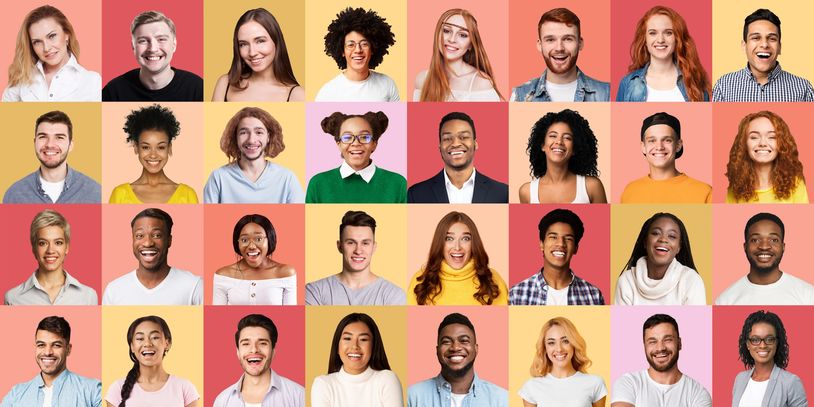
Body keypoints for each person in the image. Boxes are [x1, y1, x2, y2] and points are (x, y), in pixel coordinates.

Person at [102, 208, 203, 305]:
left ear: (169, 240)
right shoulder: (114, 290)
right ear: (133, 240)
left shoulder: (194, 285)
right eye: (139, 236)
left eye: (156, 235)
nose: (147, 243)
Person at [204, 107, 304, 204]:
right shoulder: (218, 177)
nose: (251, 140)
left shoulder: (287, 178)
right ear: (235, 137)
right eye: (243, 132)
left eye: (259, 132)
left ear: (268, 137)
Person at [407, 313, 508, 407]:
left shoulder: (501, 399)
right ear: (437, 351)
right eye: (446, 342)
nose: (455, 348)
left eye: (464, 341)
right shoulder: (413, 397)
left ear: (476, 349)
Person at [305, 211, 405, 305]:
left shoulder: (393, 294)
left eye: (365, 243)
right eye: (351, 243)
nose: (358, 251)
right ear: (339, 246)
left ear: (374, 247)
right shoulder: (315, 291)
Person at [610, 314, 711, 407]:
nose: (660, 348)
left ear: (679, 343)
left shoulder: (698, 393)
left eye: (667, 340)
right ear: (644, 346)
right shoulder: (628, 383)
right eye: (652, 342)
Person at [3, 5, 100, 101]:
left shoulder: (92, 81)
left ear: (67, 34)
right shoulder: (21, 79)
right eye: (37, 42)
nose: (46, 48)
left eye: (52, 36)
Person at [713, 9, 814, 102]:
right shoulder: (723, 86)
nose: (764, 45)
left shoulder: (804, 89)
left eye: (772, 39)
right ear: (744, 45)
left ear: (779, 47)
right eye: (756, 38)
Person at [408, 211, 508, 305]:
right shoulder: (420, 281)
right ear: (440, 243)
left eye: (465, 239)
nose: (457, 247)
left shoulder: (493, 279)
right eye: (449, 238)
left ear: (473, 243)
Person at [511, 8, 610, 102]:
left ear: (580, 43)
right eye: (550, 40)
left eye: (568, 39)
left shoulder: (606, 93)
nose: (559, 48)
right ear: (540, 45)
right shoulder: (520, 95)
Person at [305, 111, 407, 203]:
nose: (356, 143)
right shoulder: (318, 183)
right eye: (348, 137)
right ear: (338, 144)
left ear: (374, 144)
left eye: (364, 137)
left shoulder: (398, 184)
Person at [407, 111, 508, 203]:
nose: (455, 144)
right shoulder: (416, 194)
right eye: (447, 138)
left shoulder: (502, 193)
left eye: (463, 137)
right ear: (440, 146)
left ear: (475, 144)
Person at [102, 11, 203, 101]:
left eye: (161, 39)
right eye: (143, 41)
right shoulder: (113, 92)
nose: (153, 48)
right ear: (133, 47)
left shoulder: (198, 88)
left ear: (174, 45)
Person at [510, 209, 604, 305]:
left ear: (576, 248)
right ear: (542, 244)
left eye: (568, 239)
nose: (560, 244)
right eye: (553, 237)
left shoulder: (593, 295)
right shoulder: (516, 294)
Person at [716, 213, 814, 305]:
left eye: (774, 240)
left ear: (783, 246)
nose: (764, 246)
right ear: (745, 246)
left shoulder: (808, 295)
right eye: (755, 240)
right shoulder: (725, 300)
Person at [3, 110, 101, 203]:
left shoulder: (95, 192)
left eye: (59, 137)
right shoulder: (14, 194)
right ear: (34, 142)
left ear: (70, 145)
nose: (50, 144)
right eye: (43, 137)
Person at [0, 316, 101, 406]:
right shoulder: (16, 394)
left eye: (56, 345)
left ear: (68, 349)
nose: (48, 352)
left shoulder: (93, 390)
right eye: (41, 345)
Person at [617, 6, 710, 102]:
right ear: (644, 39)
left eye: (668, 33)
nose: (660, 40)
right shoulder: (628, 83)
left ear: (677, 39)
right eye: (653, 33)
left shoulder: (695, 81)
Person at [4, 209, 97, 305]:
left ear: (67, 247)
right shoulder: (13, 298)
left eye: (58, 242)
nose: (50, 250)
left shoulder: (88, 296)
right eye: (42, 243)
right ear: (34, 248)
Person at [109, 104, 198, 204]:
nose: (153, 155)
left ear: (169, 148)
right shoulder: (120, 194)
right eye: (146, 147)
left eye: (161, 147)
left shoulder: (187, 194)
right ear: (136, 148)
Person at [311, 313, 403, 407]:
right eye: (347, 338)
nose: (355, 346)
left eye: (363, 339)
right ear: (337, 347)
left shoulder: (387, 380)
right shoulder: (323, 384)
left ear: (373, 346)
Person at [105, 316, 199, 407]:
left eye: (155, 337)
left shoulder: (184, 387)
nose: (147, 344)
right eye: (140, 339)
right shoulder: (117, 389)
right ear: (132, 346)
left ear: (167, 343)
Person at [212, 8, 303, 102]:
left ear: (276, 42)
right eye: (243, 44)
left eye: (260, 41)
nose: (252, 53)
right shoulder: (225, 84)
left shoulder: (297, 95)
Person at [213, 314, 304, 407]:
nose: (254, 349)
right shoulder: (222, 401)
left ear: (273, 351)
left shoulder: (299, 396)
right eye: (246, 344)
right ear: (238, 352)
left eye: (262, 343)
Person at [615, 213, 706, 305]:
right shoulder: (626, 281)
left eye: (672, 236)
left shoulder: (691, 281)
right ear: (645, 242)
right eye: (655, 233)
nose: (663, 239)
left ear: (679, 247)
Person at [621, 112, 712, 203]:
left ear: (678, 145)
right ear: (643, 147)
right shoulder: (630, 191)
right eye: (652, 141)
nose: (659, 147)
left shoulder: (704, 192)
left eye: (667, 140)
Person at [519, 109, 607, 204]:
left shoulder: (592, 187)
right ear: (542, 145)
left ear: (574, 148)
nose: (559, 141)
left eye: (567, 138)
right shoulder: (526, 192)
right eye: (553, 136)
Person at [414, 9, 502, 101]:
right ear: (437, 35)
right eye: (446, 31)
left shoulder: (481, 84)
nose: (452, 39)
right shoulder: (422, 79)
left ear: (471, 44)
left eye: (462, 35)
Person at [315, 7, 399, 102]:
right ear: (342, 51)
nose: (358, 50)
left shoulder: (387, 84)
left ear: (373, 49)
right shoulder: (327, 93)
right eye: (351, 45)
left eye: (364, 44)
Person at [519, 317, 607, 407]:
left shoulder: (595, 383)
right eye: (551, 343)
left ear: (573, 344)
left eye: (565, 341)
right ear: (545, 348)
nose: (559, 349)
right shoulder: (531, 387)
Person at [726, 111, 808, 204]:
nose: (762, 143)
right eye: (754, 137)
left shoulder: (795, 185)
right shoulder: (735, 188)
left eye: (772, 137)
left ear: (782, 143)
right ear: (744, 144)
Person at [213, 214, 296, 305]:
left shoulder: (286, 273)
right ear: (238, 243)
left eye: (259, 239)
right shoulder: (223, 275)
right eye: (244, 240)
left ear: (270, 239)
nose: (252, 246)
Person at [732, 310, 807, 407]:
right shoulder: (740, 379)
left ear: (776, 343)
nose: (762, 345)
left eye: (769, 339)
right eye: (755, 340)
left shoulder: (790, 382)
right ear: (748, 344)